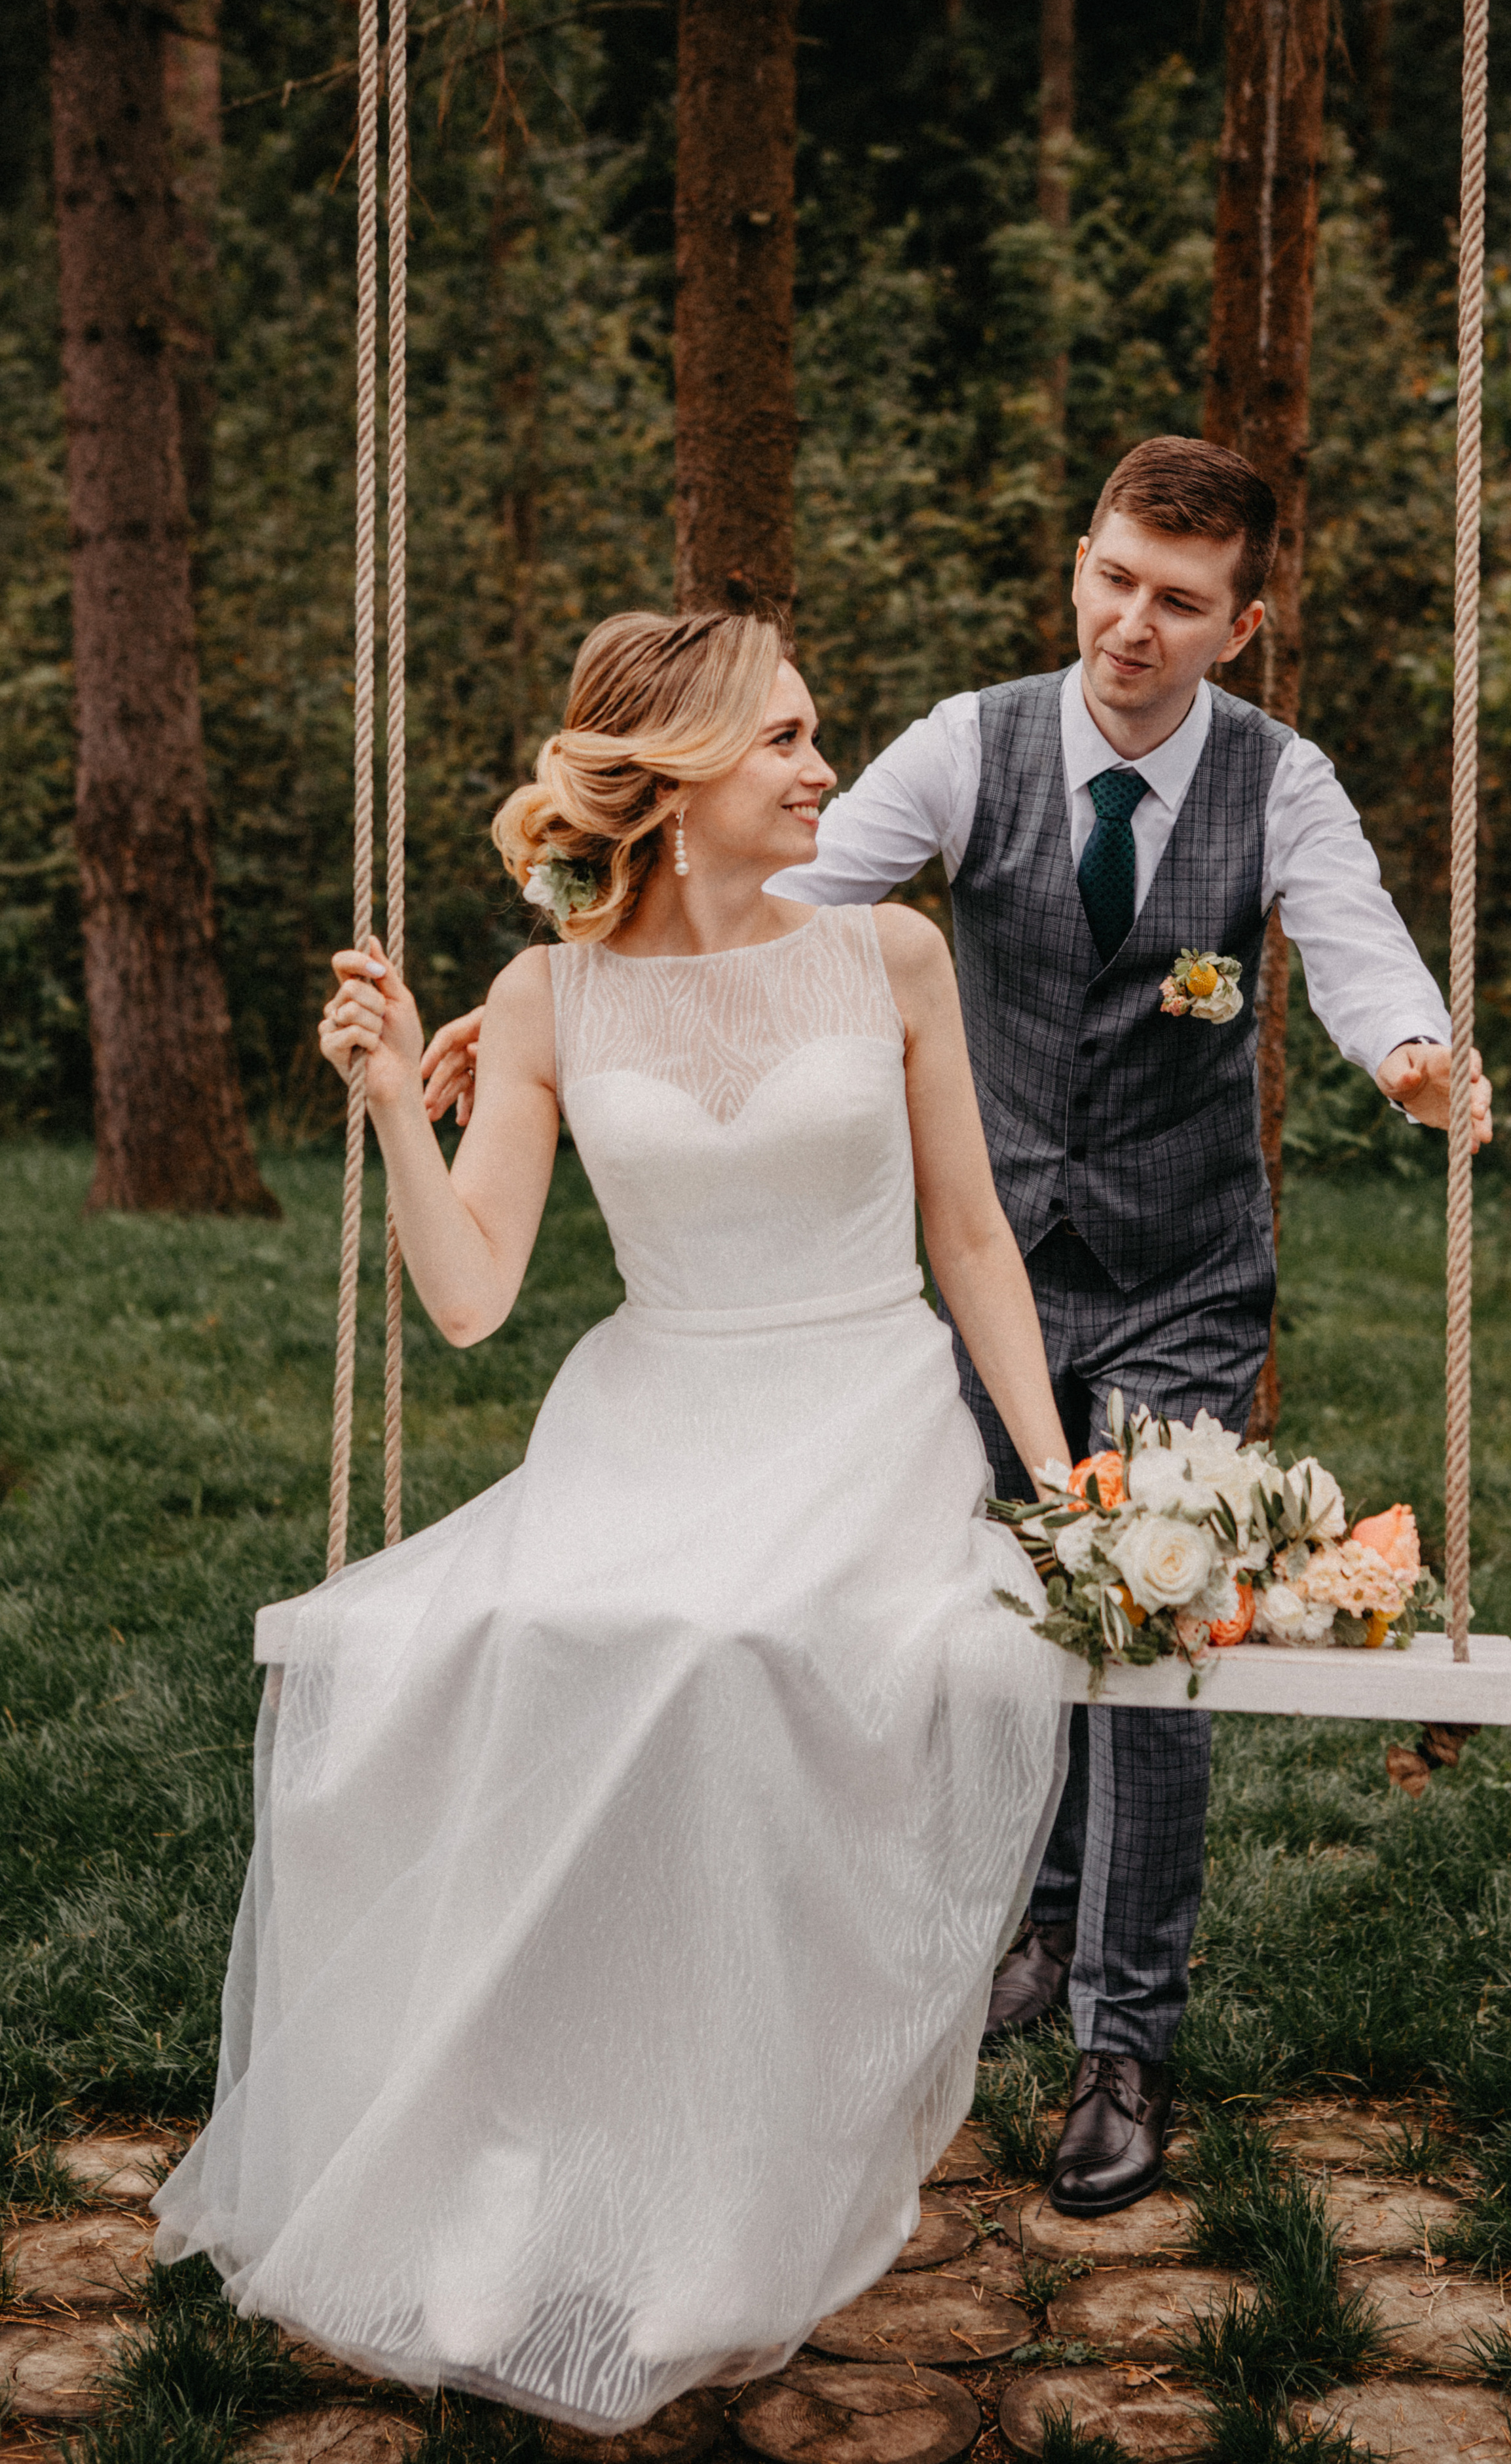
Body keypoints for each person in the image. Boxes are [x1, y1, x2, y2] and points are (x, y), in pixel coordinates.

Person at [423, 438, 1494, 2226]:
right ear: (1081, 561)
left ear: (1243, 622)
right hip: (987, 1263)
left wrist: (1405, 1051)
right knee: (1004, 1622)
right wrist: (533, 999)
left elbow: (1363, 947)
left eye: (1177, 601)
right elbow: (749, 913)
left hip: (1180, 1268)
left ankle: (1122, 2039)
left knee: (1147, 1628)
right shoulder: (965, 749)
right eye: (1112, 579)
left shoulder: (1278, 784)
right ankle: (1047, 1924)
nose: (1131, 625)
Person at [151, 610, 1074, 2435]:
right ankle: (543, 2167)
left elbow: (970, 1240)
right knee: (505, 1648)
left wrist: (1060, 1488)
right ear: (675, 779)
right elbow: (479, 1294)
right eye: (789, 740)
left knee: (726, 1657)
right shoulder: (552, 996)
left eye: (823, 737)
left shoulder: (891, 954)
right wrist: (397, 1107)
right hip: (654, 1411)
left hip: (855, 1414)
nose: (828, 769)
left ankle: (725, 2193)